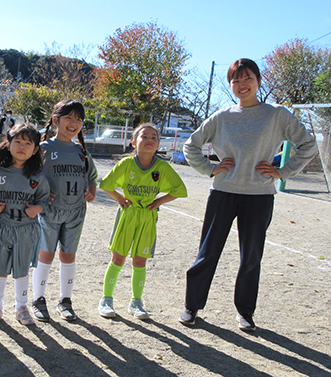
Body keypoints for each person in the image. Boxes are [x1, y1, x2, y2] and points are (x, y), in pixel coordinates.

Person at [179, 58, 317, 332]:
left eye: (247, 78)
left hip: (259, 195)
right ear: (230, 85)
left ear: (258, 80)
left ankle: (245, 313)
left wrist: (283, 171)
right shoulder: (222, 117)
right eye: (235, 80)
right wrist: (210, 168)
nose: (242, 85)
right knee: (208, 253)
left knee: (251, 256)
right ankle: (191, 306)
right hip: (223, 192)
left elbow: (308, 145)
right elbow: (190, 145)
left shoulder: (276, 114)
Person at [98, 123, 187, 320]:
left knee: (140, 260)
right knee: (118, 258)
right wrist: (120, 198)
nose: (148, 140)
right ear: (133, 142)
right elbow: (106, 184)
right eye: (144, 136)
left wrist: (158, 201)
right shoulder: (126, 164)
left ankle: (136, 302)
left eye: (153, 137)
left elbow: (180, 190)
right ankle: (106, 299)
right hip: (128, 215)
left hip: (147, 217)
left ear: (158, 144)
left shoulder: (162, 167)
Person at [31, 100, 98, 322]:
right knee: (46, 255)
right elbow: (30, 177)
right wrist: (39, 194)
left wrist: (90, 191)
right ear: (55, 120)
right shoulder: (43, 149)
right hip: (50, 211)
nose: (74, 123)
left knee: (68, 255)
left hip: (75, 212)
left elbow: (92, 178)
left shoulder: (82, 152)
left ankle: (65, 300)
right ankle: (38, 299)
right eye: (69, 117)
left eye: (79, 119)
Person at [0, 124, 50, 327]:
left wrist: (37, 208)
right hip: (3, 227)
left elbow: (45, 200)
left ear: (35, 149)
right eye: (17, 141)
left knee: (22, 269)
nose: (22, 147)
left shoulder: (37, 177)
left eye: (28, 143)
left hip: (26, 229)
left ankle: (22, 307)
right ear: (8, 143)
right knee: (0, 267)